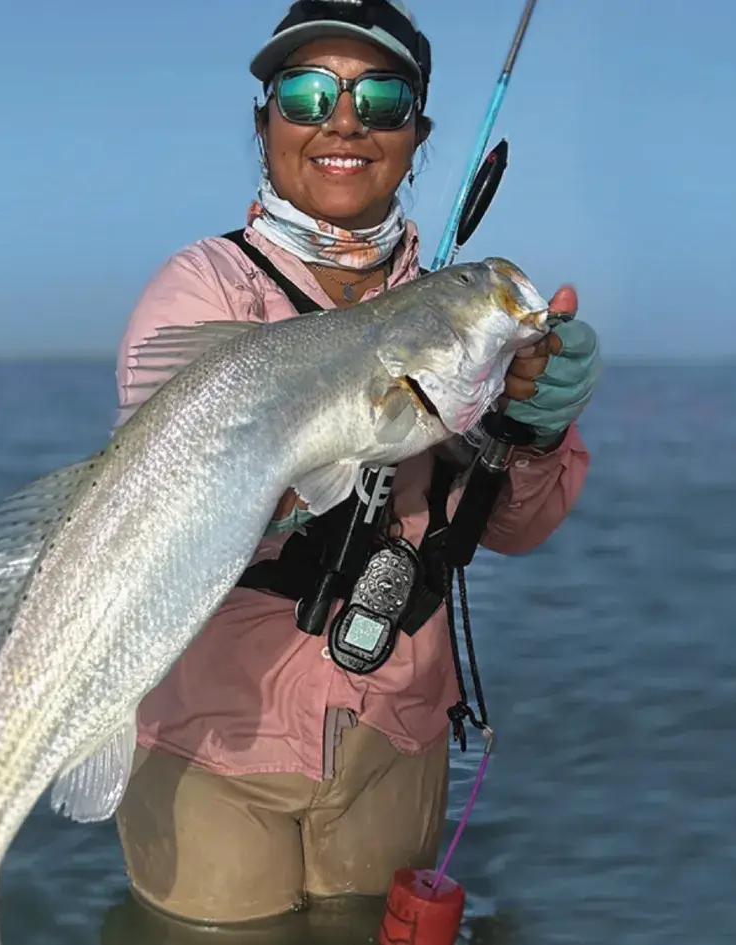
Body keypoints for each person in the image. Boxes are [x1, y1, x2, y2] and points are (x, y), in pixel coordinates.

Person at [111, 0, 602, 926]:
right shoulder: (204, 289)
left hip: (395, 732)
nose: (342, 119)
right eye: (304, 92)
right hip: (212, 743)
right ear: (264, 123)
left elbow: (516, 527)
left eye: (380, 97)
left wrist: (532, 421)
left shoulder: (447, 308)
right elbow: (156, 505)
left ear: (417, 134)